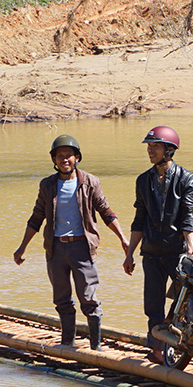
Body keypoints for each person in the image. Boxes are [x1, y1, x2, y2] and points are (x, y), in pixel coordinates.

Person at [13, 134, 130, 350]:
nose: (64, 160)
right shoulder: (47, 185)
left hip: (81, 248)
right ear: (54, 160)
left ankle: (96, 345)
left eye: (69, 156)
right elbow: (37, 217)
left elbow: (106, 212)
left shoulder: (90, 182)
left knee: (89, 297)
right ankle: (68, 342)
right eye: (60, 156)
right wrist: (22, 247)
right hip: (56, 248)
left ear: (77, 157)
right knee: (62, 298)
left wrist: (123, 239)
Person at [122, 125, 193, 363]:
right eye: (149, 146)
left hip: (177, 252)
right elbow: (139, 219)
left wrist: (191, 247)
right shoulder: (143, 180)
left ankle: (190, 348)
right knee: (152, 303)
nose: (150, 150)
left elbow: (188, 215)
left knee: (185, 302)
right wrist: (129, 253)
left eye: (155, 146)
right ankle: (157, 348)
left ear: (170, 150)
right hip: (152, 252)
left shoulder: (187, 179)